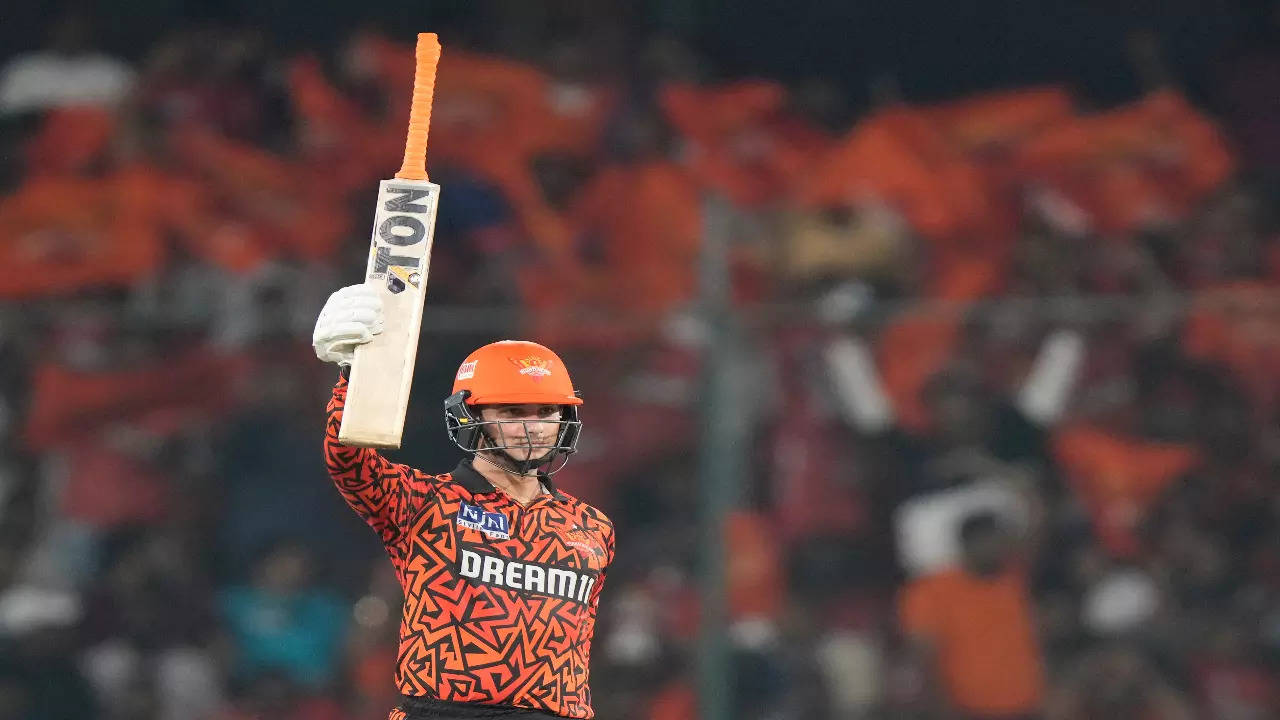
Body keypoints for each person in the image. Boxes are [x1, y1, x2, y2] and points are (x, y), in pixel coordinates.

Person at [311, 284, 615, 720]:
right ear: (470, 417)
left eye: (547, 411)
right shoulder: (422, 503)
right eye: (513, 413)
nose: (535, 427)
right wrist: (351, 375)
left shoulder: (593, 527)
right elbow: (347, 460)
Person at [898, 511, 1045, 720]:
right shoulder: (931, 590)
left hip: (1026, 707)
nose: (997, 549)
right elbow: (925, 657)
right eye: (989, 541)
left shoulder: (1013, 579)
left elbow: (1036, 536)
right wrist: (941, 709)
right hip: (969, 710)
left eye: (1000, 541)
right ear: (967, 544)